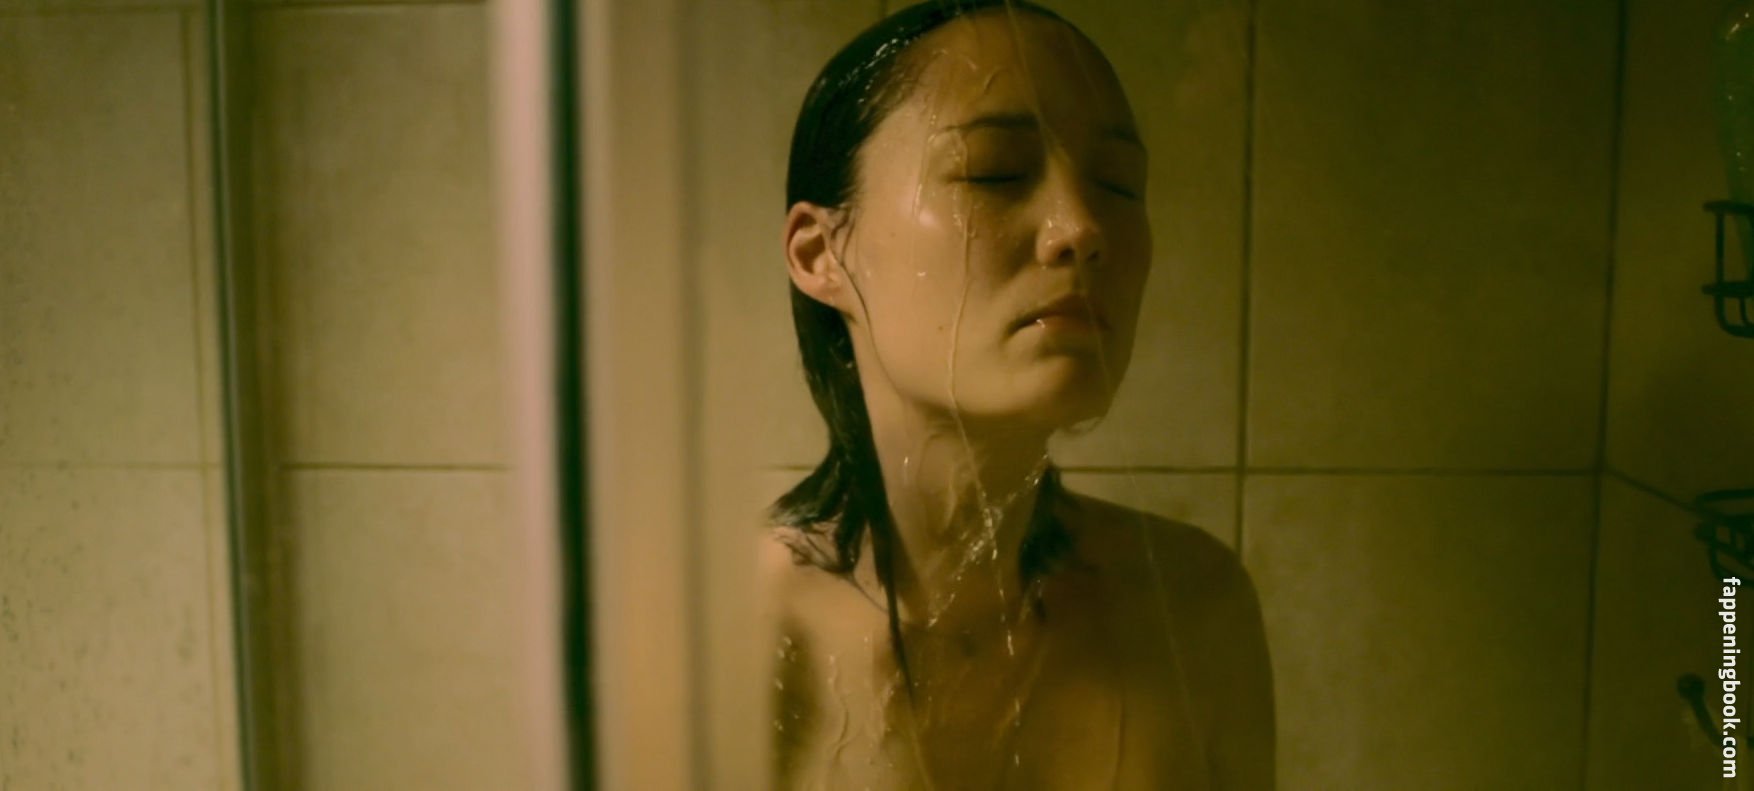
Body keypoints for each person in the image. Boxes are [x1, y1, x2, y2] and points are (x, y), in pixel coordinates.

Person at [763, 1, 1274, 787]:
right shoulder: (735, 629)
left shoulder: (1191, 603)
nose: (1083, 226)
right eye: (994, 171)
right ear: (820, 252)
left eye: (1118, 184)